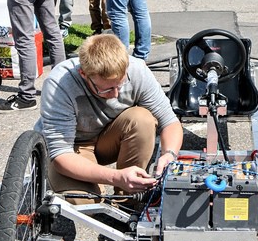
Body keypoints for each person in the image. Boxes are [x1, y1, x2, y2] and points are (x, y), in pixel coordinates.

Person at [35, 33, 183, 202]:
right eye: (106, 89)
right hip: (74, 146)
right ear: (84, 74)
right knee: (84, 202)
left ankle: (128, 198)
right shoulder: (59, 84)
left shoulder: (136, 70)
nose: (115, 94)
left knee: (142, 119)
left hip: (109, 138)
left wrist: (169, 154)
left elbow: (170, 122)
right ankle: (105, 185)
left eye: (120, 85)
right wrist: (114, 176)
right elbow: (61, 154)